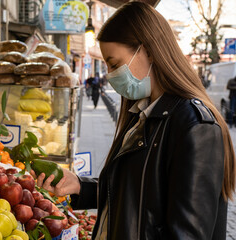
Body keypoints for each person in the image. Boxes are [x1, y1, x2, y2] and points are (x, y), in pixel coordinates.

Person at [32, 2, 235, 240]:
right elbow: (140, 198)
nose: (110, 76)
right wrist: (80, 186)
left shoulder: (194, 126)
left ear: (148, 50)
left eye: (115, 64)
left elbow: (187, 233)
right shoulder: (142, 115)